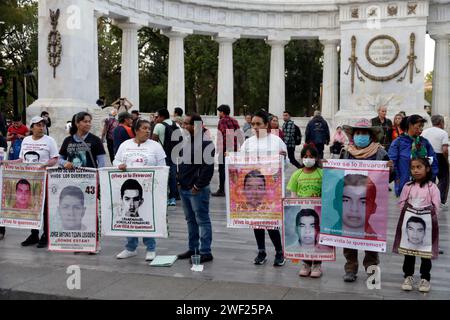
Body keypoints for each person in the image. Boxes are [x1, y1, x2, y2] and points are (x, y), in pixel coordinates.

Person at [339, 118, 393, 282]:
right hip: (351, 201)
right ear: (353, 136)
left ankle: (372, 269)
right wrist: (328, 167)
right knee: (349, 237)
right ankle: (350, 269)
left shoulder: (380, 152)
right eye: (358, 133)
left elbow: (389, 178)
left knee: (371, 238)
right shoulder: (346, 151)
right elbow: (337, 173)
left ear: (370, 136)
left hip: (369, 201)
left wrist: (391, 169)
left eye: (364, 133)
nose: (361, 136)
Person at [113, 119, 166, 261]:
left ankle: (151, 247)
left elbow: (163, 167)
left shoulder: (155, 146)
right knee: (130, 216)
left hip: (148, 189)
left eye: (149, 128)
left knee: (146, 216)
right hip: (129, 188)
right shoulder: (125, 145)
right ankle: (131, 247)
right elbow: (115, 161)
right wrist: (119, 165)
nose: (148, 131)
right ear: (136, 130)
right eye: (144, 128)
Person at [240, 110, 287, 267]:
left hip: (271, 189)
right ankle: (261, 251)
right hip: (253, 190)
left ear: (266, 125)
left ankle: (279, 252)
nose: (255, 126)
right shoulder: (248, 143)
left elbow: (283, 166)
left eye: (258, 124)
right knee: (256, 222)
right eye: (253, 124)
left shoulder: (276, 141)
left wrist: (283, 158)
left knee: (271, 222)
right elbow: (240, 164)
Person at [398, 157, 440, 293]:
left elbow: (436, 206)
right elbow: (401, 203)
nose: (415, 170)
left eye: (419, 167)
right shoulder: (407, 186)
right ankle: (408, 276)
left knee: (425, 253)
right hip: (410, 224)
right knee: (408, 252)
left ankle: (425, 278)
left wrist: (426, 214)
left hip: (426, 227)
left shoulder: (432, 188)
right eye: (413, 168)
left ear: (427, 169)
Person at [177, 113, 215, 263]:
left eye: (187, 124)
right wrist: (179, 180)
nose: (184, 126)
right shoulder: (187, 141)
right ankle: (193, 248)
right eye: (184, 124)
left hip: (196, 190)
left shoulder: (206, 143)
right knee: (190, 220)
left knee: (202, 220)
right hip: (184, 188)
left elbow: (208, 169)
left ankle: (206, 251)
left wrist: (198, 186)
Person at [18, 116, 59, 248]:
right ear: (31, 127)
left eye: (43, 125)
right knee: (32, 206)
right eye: (38, 125)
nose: (41, 127)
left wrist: (45, 164)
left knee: (45, 207)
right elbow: (21, 159)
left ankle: (46, 234)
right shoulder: (26, 140)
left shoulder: (49, 140)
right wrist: (6, 163)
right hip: (30, 179)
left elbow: (55, 158)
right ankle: (33, 234)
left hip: (45, 178)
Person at [287, 143, 323, 277]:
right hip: (303, 212)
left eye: (311, 156)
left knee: (317, 238)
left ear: (316, 158)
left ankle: (317, 265)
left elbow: (327, 191)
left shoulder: (321, 173)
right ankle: (306, 263)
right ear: (302, 158)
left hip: (318, 213)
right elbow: (293, 195)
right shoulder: (297, 174)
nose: (308, 159)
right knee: (305, 238)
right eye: (306, 156)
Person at [388, 114, 438, 197]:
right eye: (419, 126)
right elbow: (392, 163)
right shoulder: (398, 143)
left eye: (422, 127)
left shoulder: (424, 142)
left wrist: (431, 178)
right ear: (410, 125)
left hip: (424, 187)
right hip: (405, 187)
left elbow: (434, 161)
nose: (421, 129)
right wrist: (398, 179)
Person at [152, 108, 181, 206]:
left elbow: (153, 141)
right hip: (173, 153)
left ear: (161, 116)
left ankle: (162, 196)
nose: (156, 119)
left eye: (157, 117)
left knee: (161, 175)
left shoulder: (159, 126)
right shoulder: (175, 124)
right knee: (173, 176)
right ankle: (173, 197)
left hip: (161, 155)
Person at [212, 104, 241, 197]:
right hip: (234, 149)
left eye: (219, 112)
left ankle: (221, 190)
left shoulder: (222, 121)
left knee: (222, 170)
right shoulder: (234, 120)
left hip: (225, 149)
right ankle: (235, 189)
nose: (218, 114)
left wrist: (226, 149)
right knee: (233, 169)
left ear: (222, 112)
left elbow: (225, 134)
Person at [421, 115, 449, 209]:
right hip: (439, 156)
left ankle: (428, 198)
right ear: (441, 122)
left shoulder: (424, 132)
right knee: (444, 178)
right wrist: (446, 160)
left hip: (427, 156)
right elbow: (445, 149)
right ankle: (439, 199)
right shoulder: (443, 133)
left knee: (429, 178)